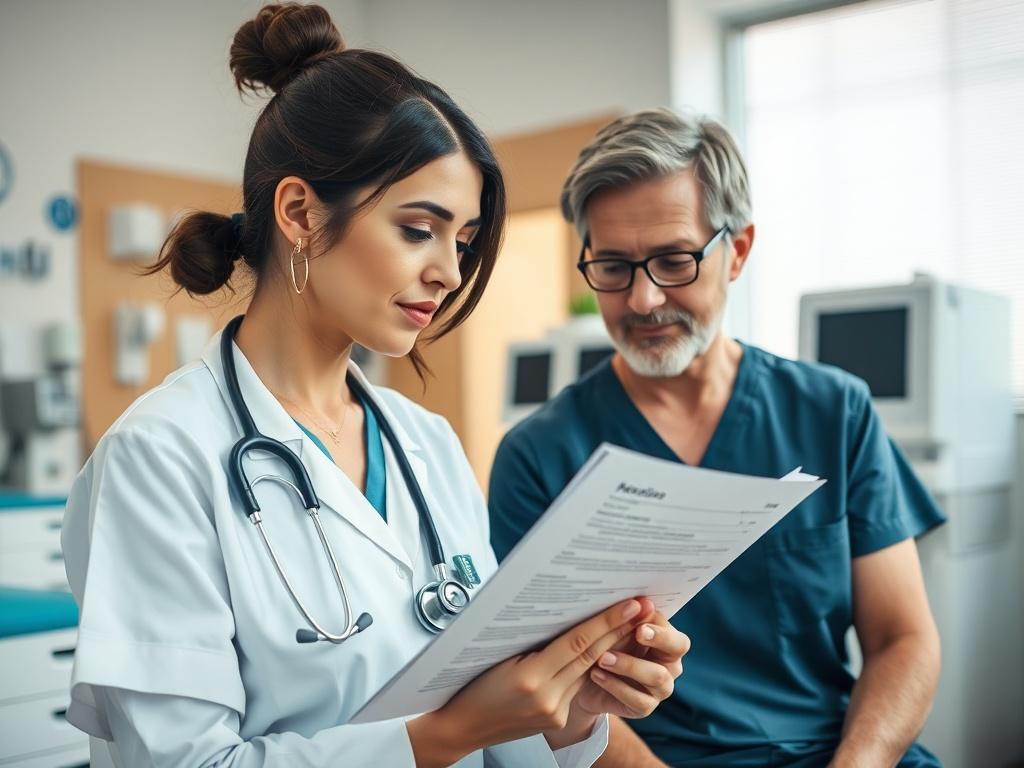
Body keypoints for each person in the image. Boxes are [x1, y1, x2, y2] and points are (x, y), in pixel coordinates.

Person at [60, 8, 689, 766]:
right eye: (418, 229)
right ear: (299, 213)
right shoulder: (160, 457)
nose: (450, 273)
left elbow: (505, 748)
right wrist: (445, 737)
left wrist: (569, 710)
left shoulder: (425, 444)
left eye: (461, 241)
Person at [488, 108, 945, 768]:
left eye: (674, 261)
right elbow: (550, 694)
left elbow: (904, 638)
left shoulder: (833, 412)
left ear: (738, 250)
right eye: (612, 266)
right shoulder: (539, 455)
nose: (643, 300)